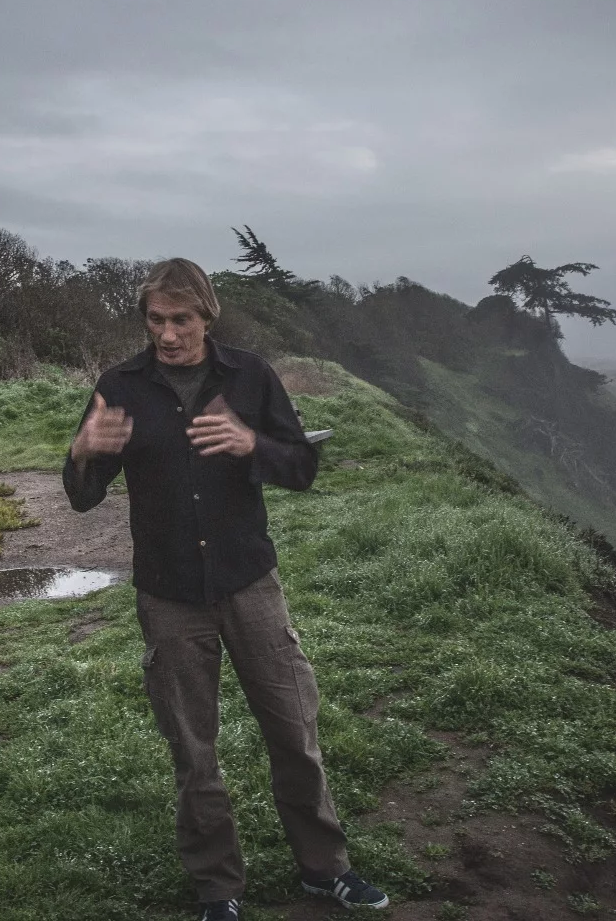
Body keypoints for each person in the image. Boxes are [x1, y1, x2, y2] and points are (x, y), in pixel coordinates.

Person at [63, 259, 388, 919]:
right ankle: (218, 889)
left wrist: (249, 444)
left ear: (207, 317)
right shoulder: (120, 386)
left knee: (293, 729)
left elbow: (301, 467)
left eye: (181, 320)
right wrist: (82, 451)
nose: (167, 334)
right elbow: (81, 496)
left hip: (249, 583)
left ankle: (325, 868)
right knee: (193, 750)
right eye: (156, 320)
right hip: (169, 595)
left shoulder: (250, 376)